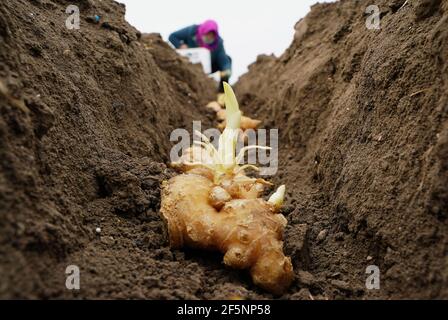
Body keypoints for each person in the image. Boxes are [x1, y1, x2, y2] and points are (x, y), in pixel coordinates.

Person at [169, 20, 232, 92]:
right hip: (188, 64)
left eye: (211, 36)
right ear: (203, 31)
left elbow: (224, 60)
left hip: (207, 68)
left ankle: (222, 92)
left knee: (229, 59)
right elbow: (172, 36)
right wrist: (180, 45)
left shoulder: (218, 43)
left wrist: (227, 70)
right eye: (207, 34)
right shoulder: (192, 31)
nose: (209, 37)